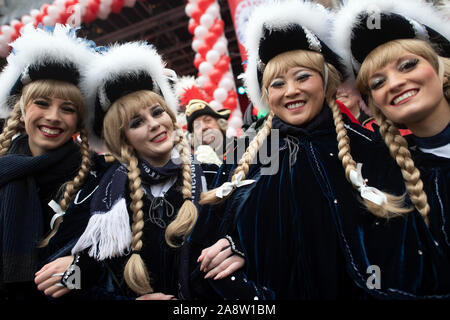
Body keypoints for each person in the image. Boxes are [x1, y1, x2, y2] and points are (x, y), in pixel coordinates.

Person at [189, 0, 450, 299]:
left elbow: (402, 251)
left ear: (326, 81)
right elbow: (202, 255)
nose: (291, 90)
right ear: (265, 94)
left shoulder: (369, 148)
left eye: (303, 77)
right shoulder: (243, 154)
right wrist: (241, 259)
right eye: (276, 83)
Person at [35, 42, 209, 300]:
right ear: (122, 138)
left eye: (157, 112)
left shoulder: (215, 175)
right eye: (137, 122)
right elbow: (73, 278)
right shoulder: (101, 195)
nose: (154, 125)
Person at [333, 0, 450, 282]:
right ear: (375, 104)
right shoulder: (383, 180)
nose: (395, 83)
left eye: (407, 65)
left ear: (440, 69)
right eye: (378, 82)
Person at [0, 24, 96, 300]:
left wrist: (79, 271)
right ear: (22, 108)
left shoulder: (98, 179)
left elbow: (109, 264)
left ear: (78, 121)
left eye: (67, 108)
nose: (54, 117)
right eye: (42, 103)